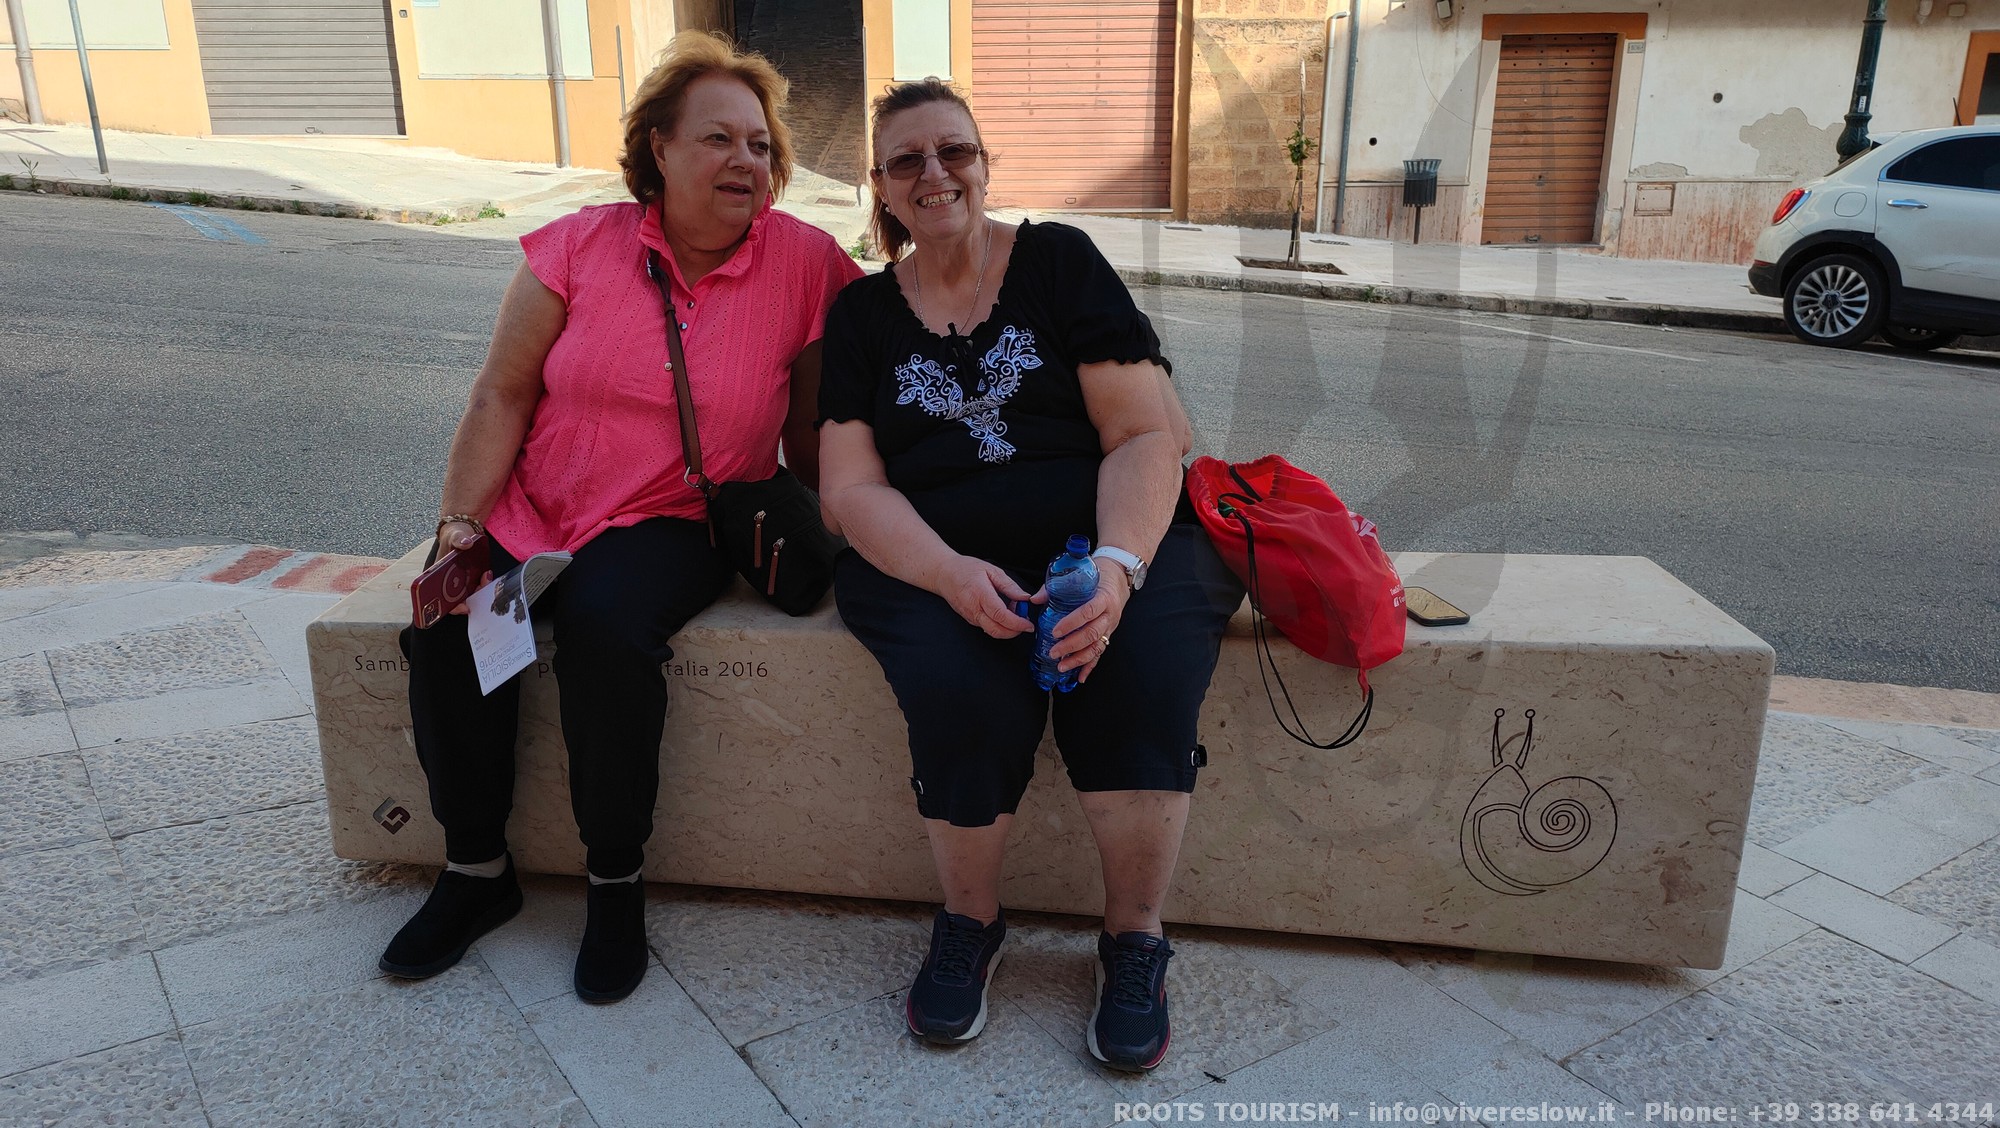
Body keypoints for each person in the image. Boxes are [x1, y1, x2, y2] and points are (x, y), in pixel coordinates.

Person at [379, 31, 862, 1003]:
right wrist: (460, 527)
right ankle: (477, 872)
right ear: (659, 149)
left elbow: (818, 426)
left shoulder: (807, 264)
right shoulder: (578, 245)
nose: (746, 160)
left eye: (760, 144)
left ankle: (613, 881)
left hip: (673, 518)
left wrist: (869, 519)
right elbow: (502, 394)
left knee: (606, 633)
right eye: (717, 138)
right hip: (535, 509)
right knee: (448, 627)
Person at [816, 79, 1243, 1072]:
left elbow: (1144, 435)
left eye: (953, 151)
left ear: (983, 162)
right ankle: (969, 923)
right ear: (880, 185)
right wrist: (945, 573)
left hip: (1111, 536)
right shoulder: (863, 315)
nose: (934, 173)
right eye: (906, 160)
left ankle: (1133, 939)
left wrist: (1116, 572)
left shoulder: (1057, 261)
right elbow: (849, 488)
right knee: (958, 691)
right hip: (929, 558)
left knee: (1140, 680)